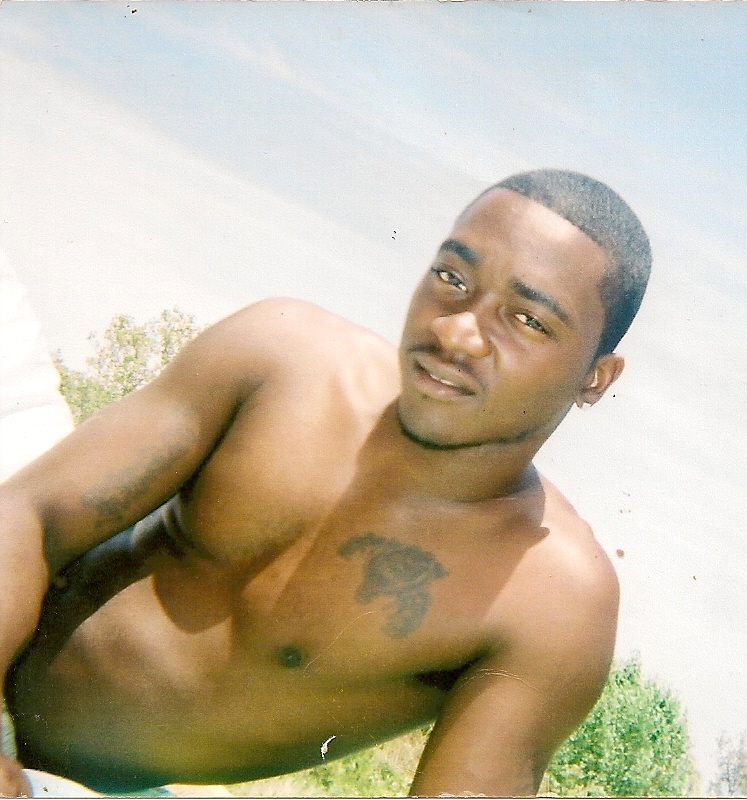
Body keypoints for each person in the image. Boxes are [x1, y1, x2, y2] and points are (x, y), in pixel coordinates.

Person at [0, 169, 651, 797]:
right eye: (452, 278)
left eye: (527, 320)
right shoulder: (285, 359)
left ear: (596, 378)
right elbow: (29, 513)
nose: (455, 332)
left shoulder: (556, 602)